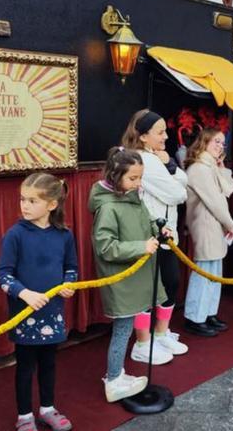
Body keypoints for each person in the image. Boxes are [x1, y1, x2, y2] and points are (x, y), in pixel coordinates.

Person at [0, 173, 77, 431]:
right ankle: (24, 416)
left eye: (32, 200)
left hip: (52, 312)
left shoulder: (64, 235)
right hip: (24, 313)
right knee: (25, 366)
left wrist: (68, 285)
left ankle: (47, 408)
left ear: (52, 204)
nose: (24, 206)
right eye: (22, 199)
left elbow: (71, 268)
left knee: (49, 363)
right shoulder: (15, 235)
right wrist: (24, 293)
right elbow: (3, 274)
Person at [90, 147, 170, 402]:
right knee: (123, 330)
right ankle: (113, 379)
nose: (138, 183)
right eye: (132, 178)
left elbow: (146, 223)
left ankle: (118, 374)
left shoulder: (134, 199)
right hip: (122, 280)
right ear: (115, 177)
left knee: (126, 328)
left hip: (136, 276)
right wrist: (140, 247)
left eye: (140, 178)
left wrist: (160, 230)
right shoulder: (108, 207)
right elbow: (105, 246)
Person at [121, 110, 189, 360]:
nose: (165, 136)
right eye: (160, 132)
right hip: (149, 233)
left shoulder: (155, 158)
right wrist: (171, 173)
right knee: (149, 290)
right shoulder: (143, 160)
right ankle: (143, 344)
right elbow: (178, 193)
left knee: (170, 283)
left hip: (168, 232)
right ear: (143, 137)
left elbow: (184, 180)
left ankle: (161, 334)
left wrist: (170, 164)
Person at [183, 128, 233, 337]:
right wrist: (230, 223)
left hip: (214, 225)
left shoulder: (210, 166)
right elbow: (215, 202)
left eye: (222, 143)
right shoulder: (199, 169)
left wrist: (221, 167)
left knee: (215, 271)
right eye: (216, 141)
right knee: (203, 272)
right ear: (204, 142)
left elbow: (227, 189)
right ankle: (194, 317)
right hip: (205, 224)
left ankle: (208, 313)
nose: (220, 146)